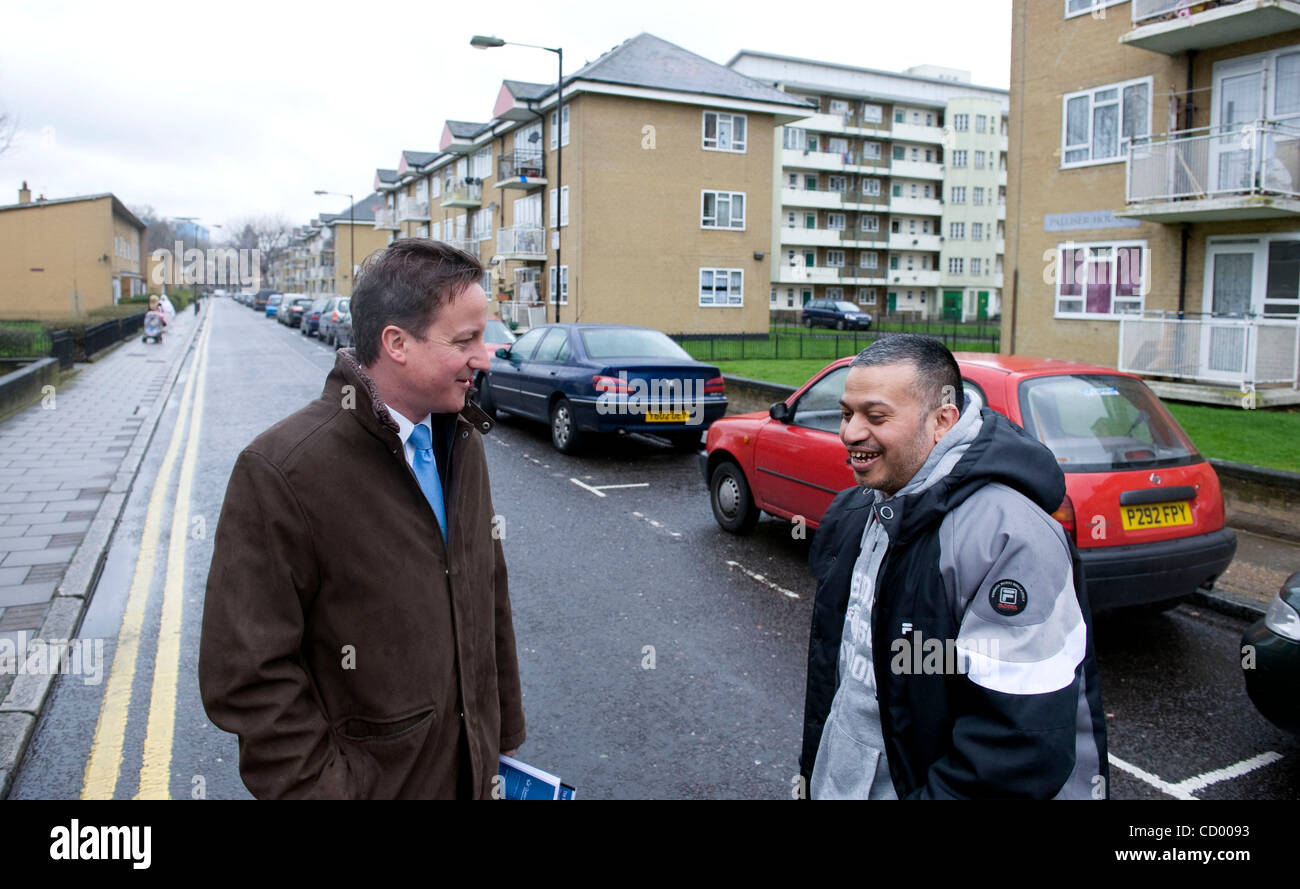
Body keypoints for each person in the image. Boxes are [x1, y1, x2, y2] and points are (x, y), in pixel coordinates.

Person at [199, 239, 525, 799]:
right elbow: (247, 675)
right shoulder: (281, 469)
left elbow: (487, 591)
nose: (486, 356)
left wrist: (502, 733)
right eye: (466, 340)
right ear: (396, 343)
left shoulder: (460, 438)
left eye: (486, 336)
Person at [801, 335, 1107, 799]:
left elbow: (1015, 748)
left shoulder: (1009, 536)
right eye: (846, 414)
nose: (849, 433)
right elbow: (838, 672)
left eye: (876, 416)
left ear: (943, 419)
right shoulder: (859, 507)